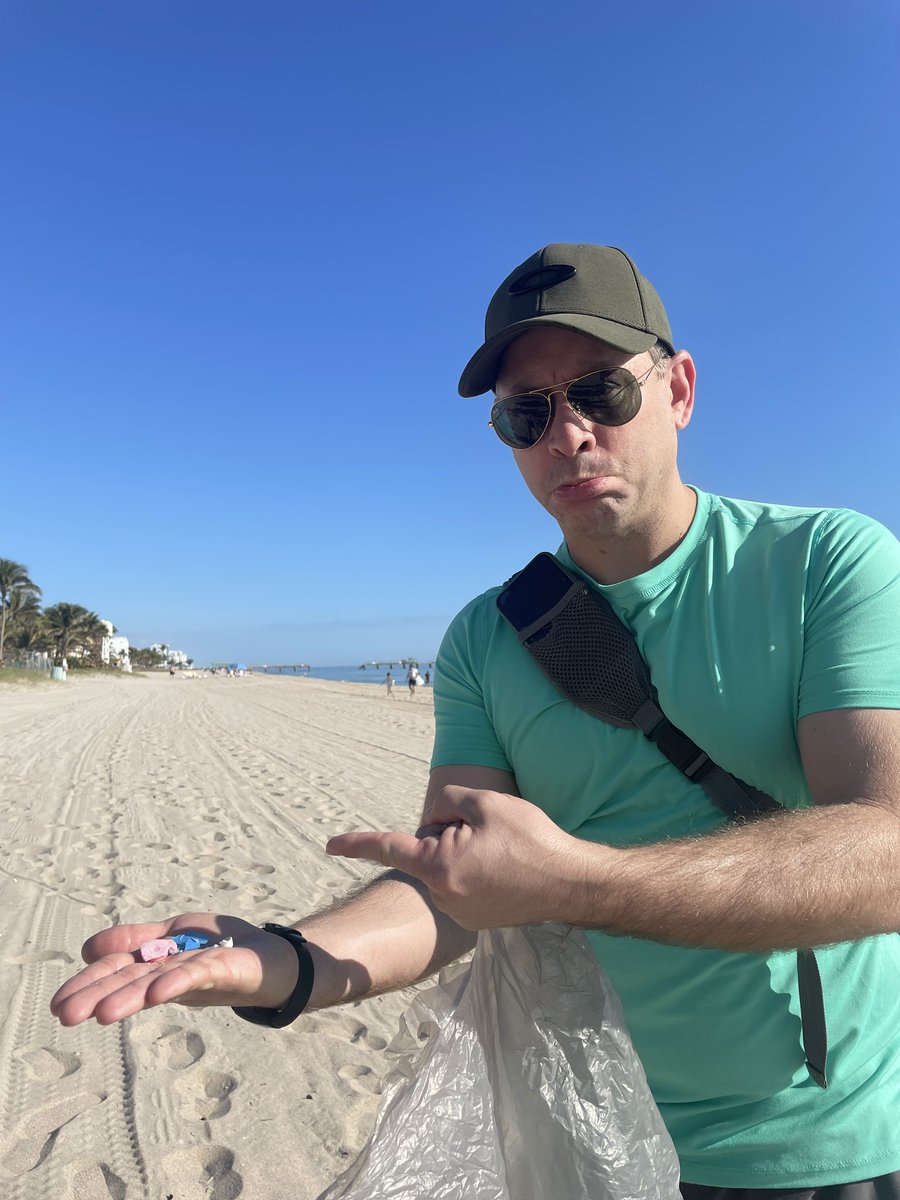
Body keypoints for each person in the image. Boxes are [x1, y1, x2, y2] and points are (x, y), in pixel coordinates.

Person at [50, 244, 900, 1197]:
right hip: (591, 1138)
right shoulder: (489, 639)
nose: (567, 434)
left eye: (601, 393)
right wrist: (289, 964)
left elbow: (888, 850)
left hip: (820, 1141)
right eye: (525, 413)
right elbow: (451, 888)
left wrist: (581, 882)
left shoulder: (827, 563)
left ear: (680, 390)